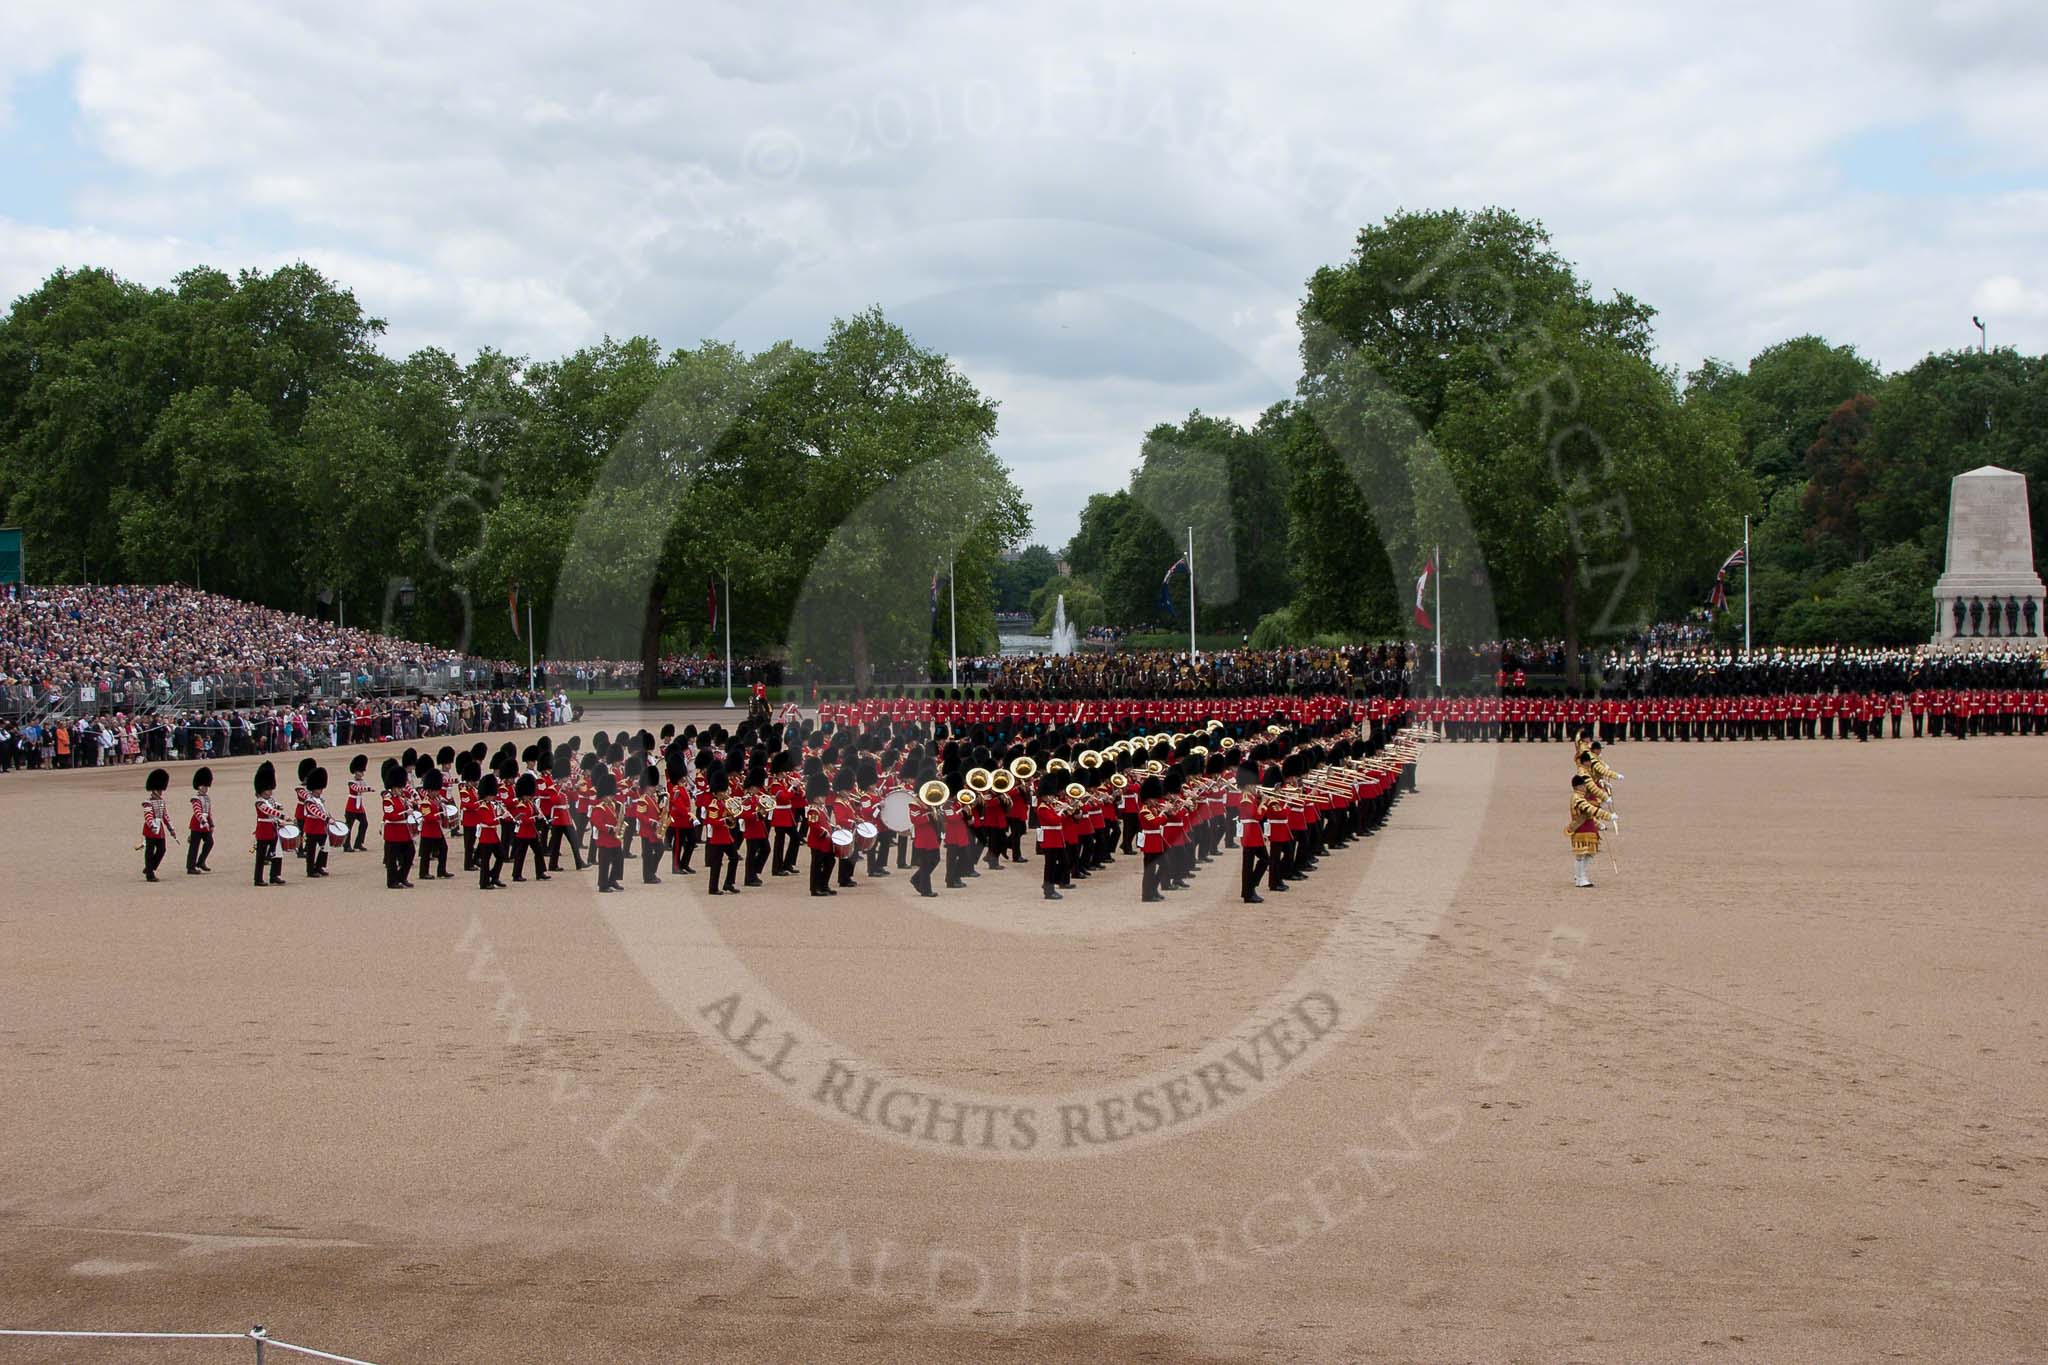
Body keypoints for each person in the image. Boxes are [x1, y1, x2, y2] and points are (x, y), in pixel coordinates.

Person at [1567, 774, 1615, 888]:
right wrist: (1607, 816)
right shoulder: (1577, 798)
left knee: (1590, 853)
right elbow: (1590, 809)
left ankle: (1581, 875)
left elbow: (1589, 815)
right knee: (1581, 855)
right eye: (1583, 785)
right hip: (1581, 828)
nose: (1585, 787)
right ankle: (1580, 878)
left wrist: (1599, 825)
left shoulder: (1581, 797)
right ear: (1578, 786)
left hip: (1588, 827)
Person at [381, 758, 416, 889]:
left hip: (404, 832)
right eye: (398, 787)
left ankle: (402, 877)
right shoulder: (387, 799)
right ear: (393, 786)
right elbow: (390, 815)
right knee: (392, 860)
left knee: (410, 854)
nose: (401, 790)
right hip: (393, 832)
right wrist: (406, 813)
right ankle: (392, 881)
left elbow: (410, 805)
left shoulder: (401, 798)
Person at [1235, 764, 1266, 904]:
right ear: (1247, 785)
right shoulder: (1246, 798)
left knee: (1263, 860)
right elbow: (1255, 816)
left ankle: (1249, 889)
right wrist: (1263, 804)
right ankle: (1249, 891)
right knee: (1251, 864)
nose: (1255, 787)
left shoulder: (1250, 797)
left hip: (1254, 834)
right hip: (1250, 834)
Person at [252, 761, 285, 887]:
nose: (270, 791)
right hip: (263, 829)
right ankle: (258, 879)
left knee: (277, 852)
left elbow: (275, 807)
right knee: (260, 857)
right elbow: (269, 811)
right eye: (268, 789)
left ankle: (275, 875)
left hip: (272, 828)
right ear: (261, 790)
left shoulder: (270, 800)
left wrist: (278, 820)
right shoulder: (260, 802)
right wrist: (282, 816)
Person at [140, 767, 172, 882]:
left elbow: (165, 816)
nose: (161, 792)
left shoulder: (161, 802)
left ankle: (150, 867)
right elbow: (148, 816)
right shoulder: (147, 803)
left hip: (160, 829)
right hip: (151, 829)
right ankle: (150, 874)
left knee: (162, 850)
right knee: (149, 851)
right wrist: (152, 826)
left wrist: (170, 828)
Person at [186, 767, 215, 875]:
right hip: (197, 825)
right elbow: (197, 812)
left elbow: (208, 812)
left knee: (210, 842)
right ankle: (190, 867)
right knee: (194, 846)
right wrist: (203, 822)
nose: (206, 788)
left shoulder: (207, 798)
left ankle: (201, 861)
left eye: (206, 786)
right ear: (198, 786)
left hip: (205, 824)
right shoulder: (195, 798)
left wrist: (211, 824)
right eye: (204, 786)